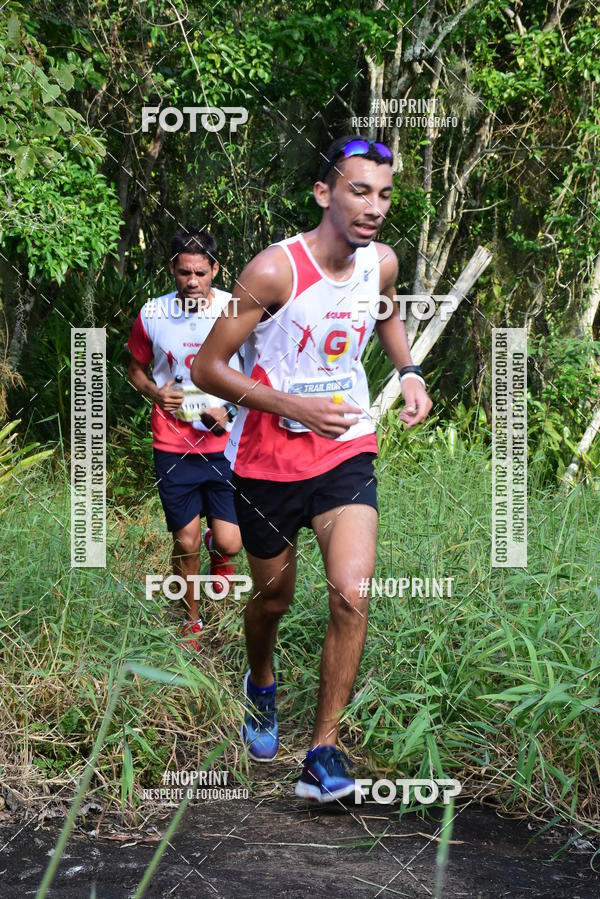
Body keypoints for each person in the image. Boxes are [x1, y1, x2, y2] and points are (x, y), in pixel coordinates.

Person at [191, 136, 432, 800]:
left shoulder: (379, 262)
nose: (374, 206)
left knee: (352, 591)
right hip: (266, 461)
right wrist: (291, 402)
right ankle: (261, 681)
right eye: (359, 190)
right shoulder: (273, 271)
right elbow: (205, 368)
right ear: (325, 193)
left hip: (345, 447)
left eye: (384, 194)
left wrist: (408, 371)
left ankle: (323, 749)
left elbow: (384, 310)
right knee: (273, 597)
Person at [127, 227, 242, 652]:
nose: (191, 281)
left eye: (200, 272)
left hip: (225, 446)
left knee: (230, 540)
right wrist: (156, 393)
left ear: (215, 269)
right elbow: (135, 367)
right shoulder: (153, 314)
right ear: (172, 270)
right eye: (183, 272)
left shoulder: (235, 309)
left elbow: (258, 372)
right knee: (184, 541)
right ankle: (192, 622)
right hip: (173, 444)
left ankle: (220, 548)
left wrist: (228, 411)